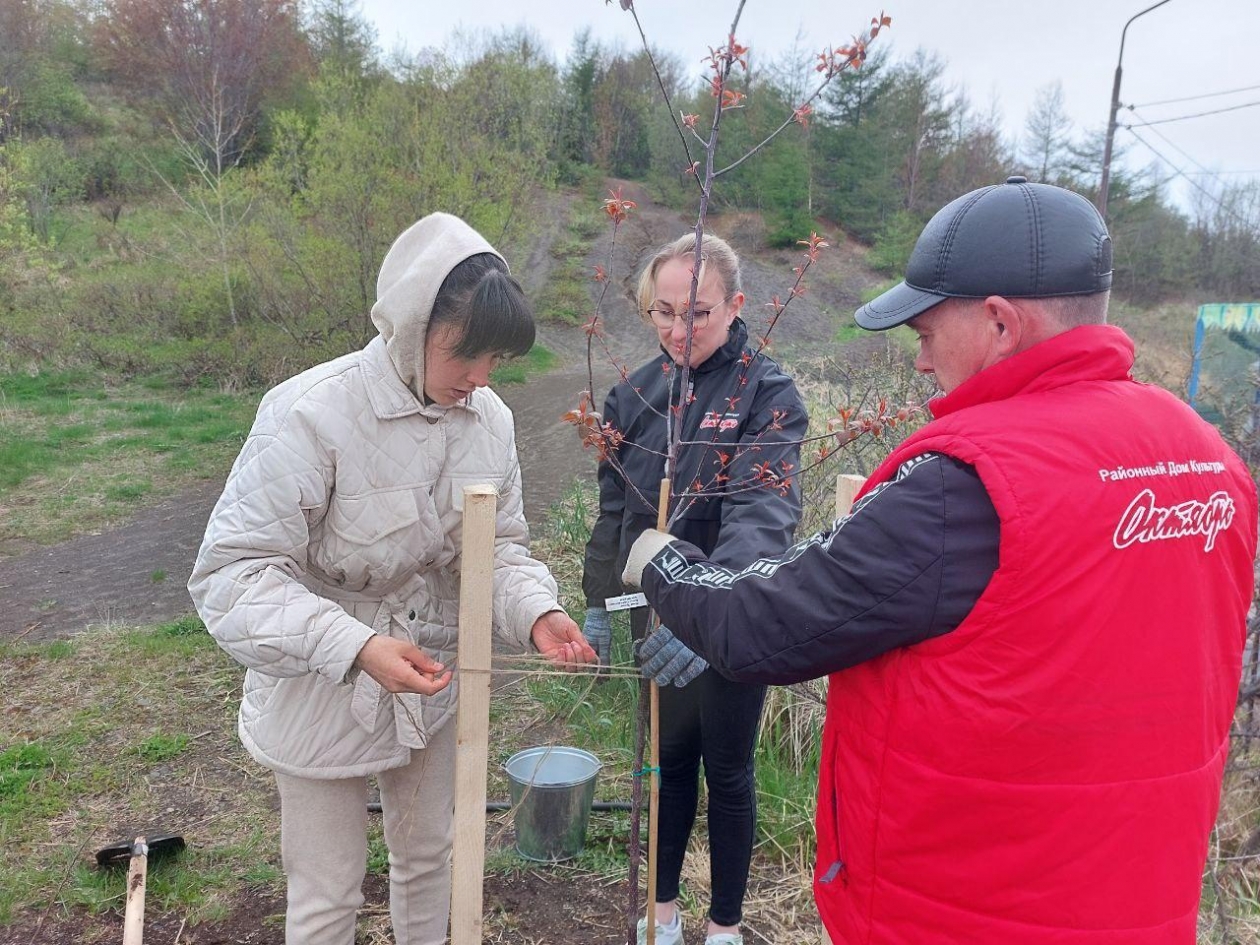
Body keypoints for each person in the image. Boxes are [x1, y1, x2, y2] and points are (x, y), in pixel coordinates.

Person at [620, 178, 1259, 944]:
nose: (920, 363)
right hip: (1139, 907)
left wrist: (663, 562)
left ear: (998, 323)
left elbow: (763, 625)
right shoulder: (1209, 462)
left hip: (961, 909)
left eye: (925, 332)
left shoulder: (967, 486)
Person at [189, 212, 595, 945]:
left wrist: (537, 609)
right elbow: (233, 575)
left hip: (433, 676)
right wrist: (354, 647)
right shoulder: (310, 414)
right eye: (463, 355)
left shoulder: (490, 422)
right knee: (326, 889)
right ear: (412, 329)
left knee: (429, 856)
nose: (479, 379)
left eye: (495, 359)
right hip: (320, 685)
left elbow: (496, 547)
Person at [581, 233, 808, 945]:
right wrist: (597, 598)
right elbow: (616, 509)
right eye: (665, 313)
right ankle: (666, 910)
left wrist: (704, 608)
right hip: (659, 616)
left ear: (736, 305)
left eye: (699, 313)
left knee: (729, 769)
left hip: (733, 612)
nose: (680, 331)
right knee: (669, 761)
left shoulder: (766, 394)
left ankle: (727, 924)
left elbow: (761, 517)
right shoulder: (635, 394)